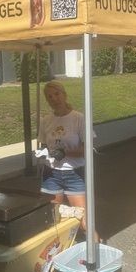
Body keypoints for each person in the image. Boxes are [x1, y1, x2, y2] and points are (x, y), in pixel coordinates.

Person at [38, 80, 101, 241]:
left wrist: (65, 152)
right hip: (51, 174)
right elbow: (44, 145)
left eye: (57, 94)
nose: (54, 99)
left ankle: (97, 254)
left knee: (85, 222)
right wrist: (43, 153)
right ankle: (55, 256)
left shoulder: (78, 118)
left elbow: (88, 150)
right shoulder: (45, 120)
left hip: (74, 174)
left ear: (64, 95)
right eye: (49, 96)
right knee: (52, 220)